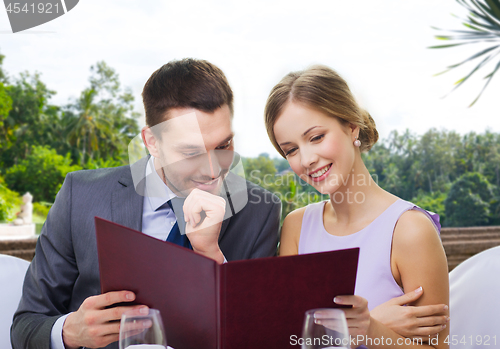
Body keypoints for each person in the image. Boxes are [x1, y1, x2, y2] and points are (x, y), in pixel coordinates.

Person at [11, 59, 281, 349]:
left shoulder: (260, 211)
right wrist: (68, 332)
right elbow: (26, 327)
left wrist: (211, 255)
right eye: (191, 152)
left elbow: (259, 337)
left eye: (223, 146)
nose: (213, 171)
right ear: (152, 142)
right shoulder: (80, 196)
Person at [264, 65, 450, 348]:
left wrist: (371, 329)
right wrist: (366, 325)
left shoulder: (410, 231)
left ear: (352, 126)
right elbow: (288, 340)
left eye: (316, 137)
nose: (307, 159)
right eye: (291, 149)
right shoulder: (296, 227)